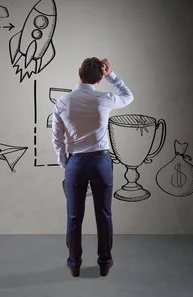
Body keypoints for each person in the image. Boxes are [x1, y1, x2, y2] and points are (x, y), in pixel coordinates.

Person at [51, 57, 134, 277]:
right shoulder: (105, 98)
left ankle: (74, 263)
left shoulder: (62, 102)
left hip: (76, 163)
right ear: (99, 79)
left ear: (79, 72)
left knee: (74, 216)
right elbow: (128, 96)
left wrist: (65, 164)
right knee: (104, 214)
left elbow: (57, 139)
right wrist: (112, 76)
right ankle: (105, 262)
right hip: (101, 162)